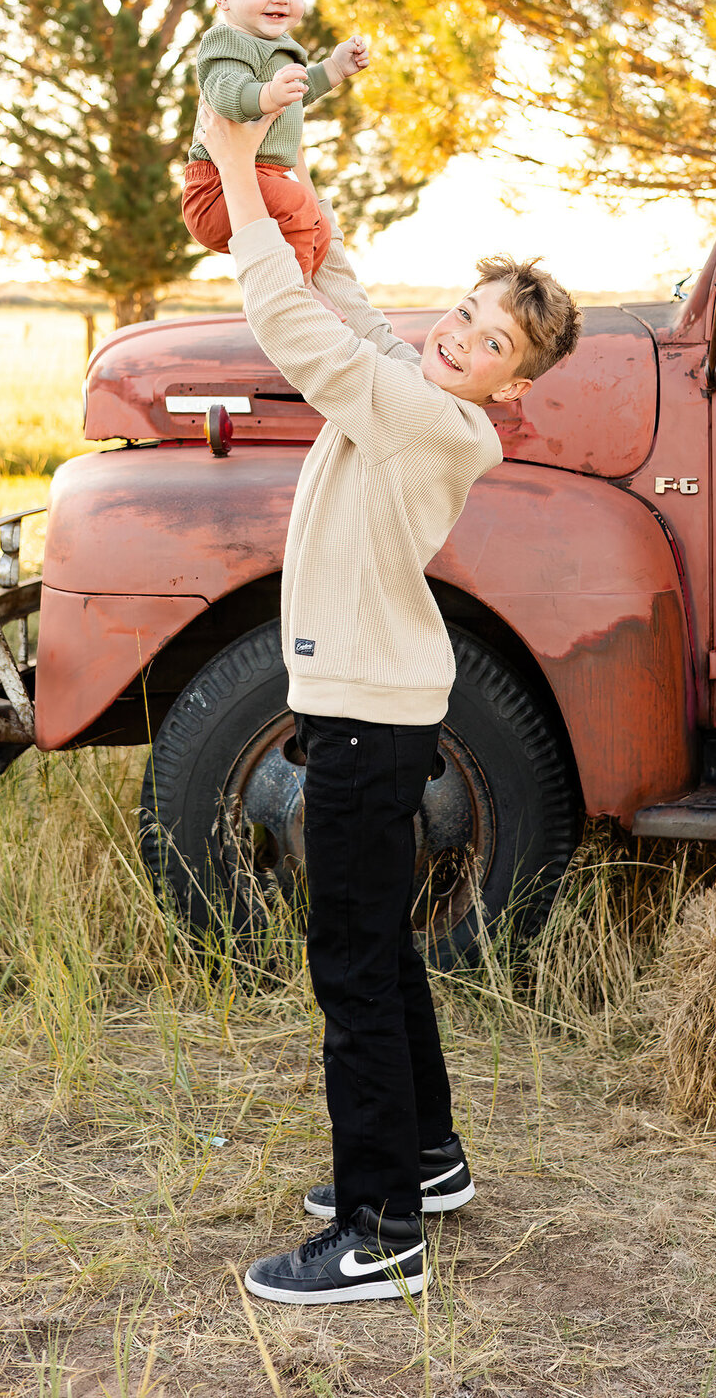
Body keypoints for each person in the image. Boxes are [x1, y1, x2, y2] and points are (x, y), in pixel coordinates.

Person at [197, 97, 582, 1306]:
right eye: (464, 316)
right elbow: (350, 309)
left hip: (370, 717)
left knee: (351, 967)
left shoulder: (427, 417)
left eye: (492, 344)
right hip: (367, 699)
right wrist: (297, 180)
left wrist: (230, 173)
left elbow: (291, 326)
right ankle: (429, 1159)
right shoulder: (412, 380)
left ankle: (380, 1232)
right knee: (381, 949)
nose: (462, 338)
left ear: (510, 388)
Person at [182, 0, 369, 278]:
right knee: (298, 203)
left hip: (266, 180)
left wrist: (335, 67)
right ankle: (295, 292)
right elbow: (224, 91)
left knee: (319, 224)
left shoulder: (279, 49)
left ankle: (308, 283)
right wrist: (268, 93)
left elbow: (297, 93)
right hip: (216, 187)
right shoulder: (227, 40)